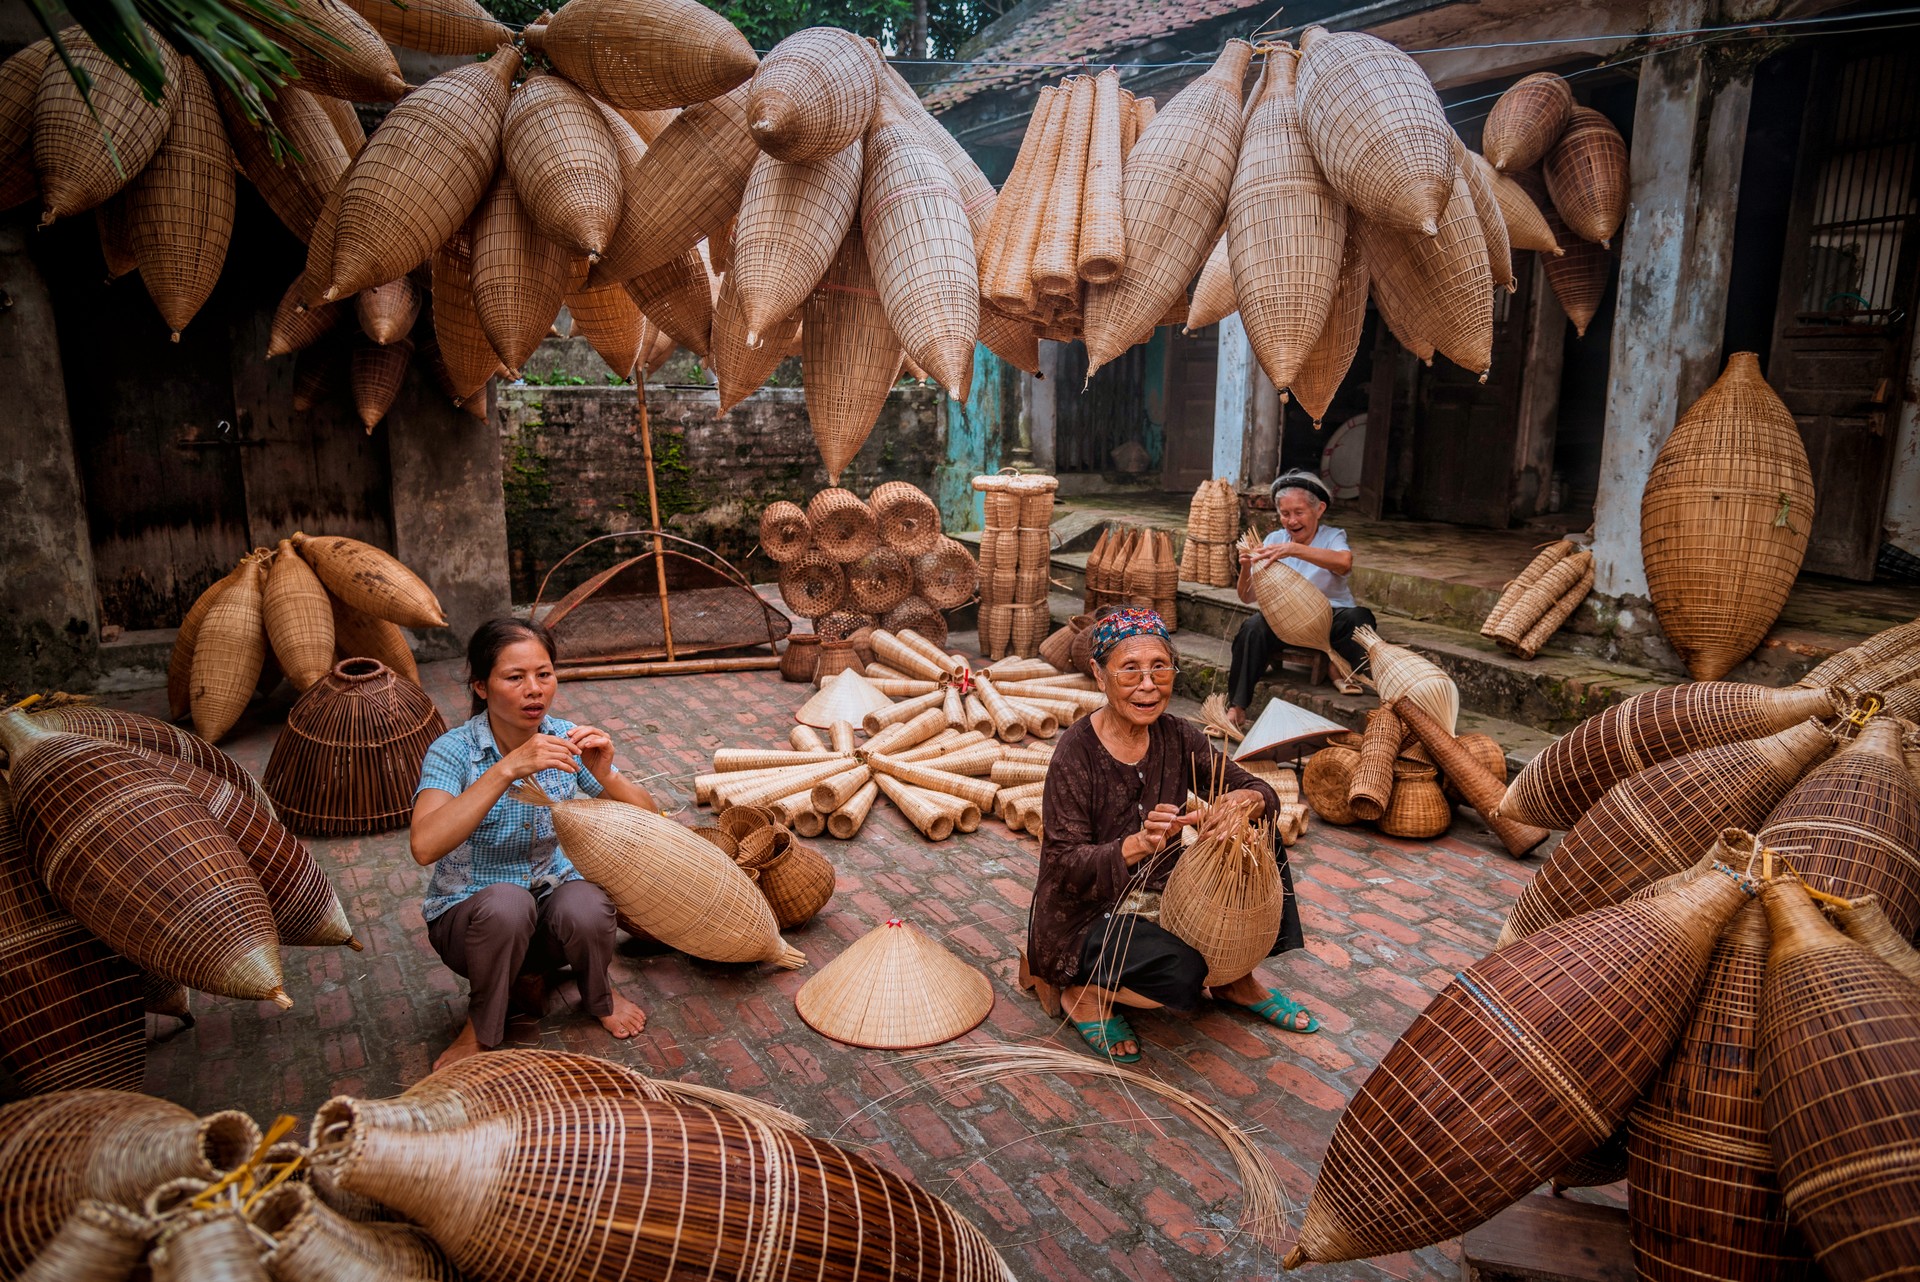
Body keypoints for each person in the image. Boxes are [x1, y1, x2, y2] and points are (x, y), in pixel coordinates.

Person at [1027, 607, 1316, 1063]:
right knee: (1182, 976)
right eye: (1131, 670)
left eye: (1159, 668)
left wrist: (1246, 802)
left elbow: (1254, 788)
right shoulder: (1075, 753)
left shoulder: (1179, 736)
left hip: (1167, 895)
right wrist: (1137, 844)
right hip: (1089, 914)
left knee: (1260, 834)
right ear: (1100, 677)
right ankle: (1082, 994)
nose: (1148, 684)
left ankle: (1237, 981)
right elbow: (1064, 867)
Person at [411, 618, 655, 1070]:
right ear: (481, 687)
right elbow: (424, 845)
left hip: (549, 925)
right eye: (514, 677)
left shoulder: (564, 739)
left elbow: (651, 818)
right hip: (473, 928)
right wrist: (506, 769)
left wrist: (604, 773)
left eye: (544, 674)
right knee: (507, 904)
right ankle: (482, 1024)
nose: (534, 690)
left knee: (586, 901)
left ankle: (596, 993)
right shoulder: (453, 750)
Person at [1226, 469, 1376, 726]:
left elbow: (1343, 563)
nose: (1291, 521)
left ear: (1319, 510)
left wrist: (1294, 549)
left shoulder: (1332, 536)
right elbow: (1248, 596)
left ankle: (1339, 664)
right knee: (1252, 627)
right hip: (1286, 622)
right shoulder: (1274, 539)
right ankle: (1236, 706)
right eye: (1285, 514)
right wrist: (1247, 568)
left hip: (1330, 620)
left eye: (1299, 512)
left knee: (1360, 618)